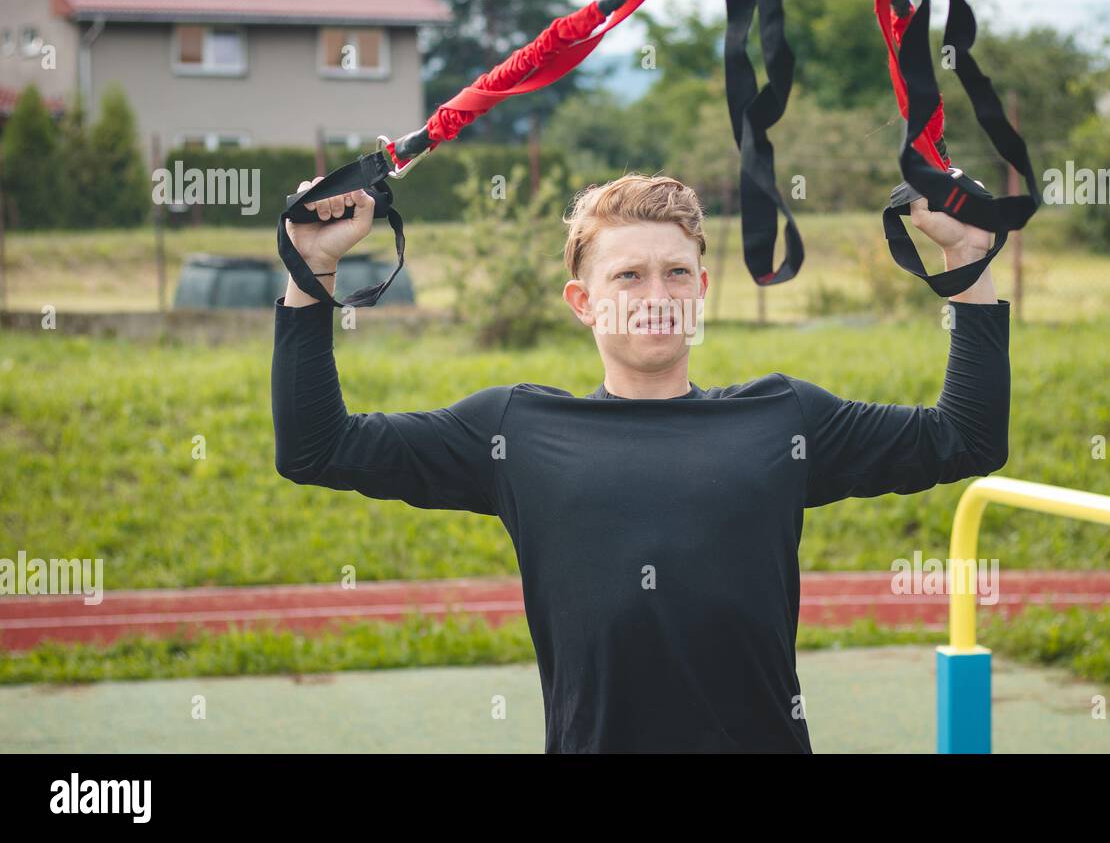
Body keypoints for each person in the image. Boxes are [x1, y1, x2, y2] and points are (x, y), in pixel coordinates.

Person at [272, 172, 1010, 752]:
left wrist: (967, 258)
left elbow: (965, 437)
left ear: (702, 290)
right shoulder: (516, 432)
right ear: (582, 301)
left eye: (676, 274)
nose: (656, 297)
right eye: (627, 277)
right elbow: (317, 448)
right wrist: (311, 268)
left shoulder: (784, 418)